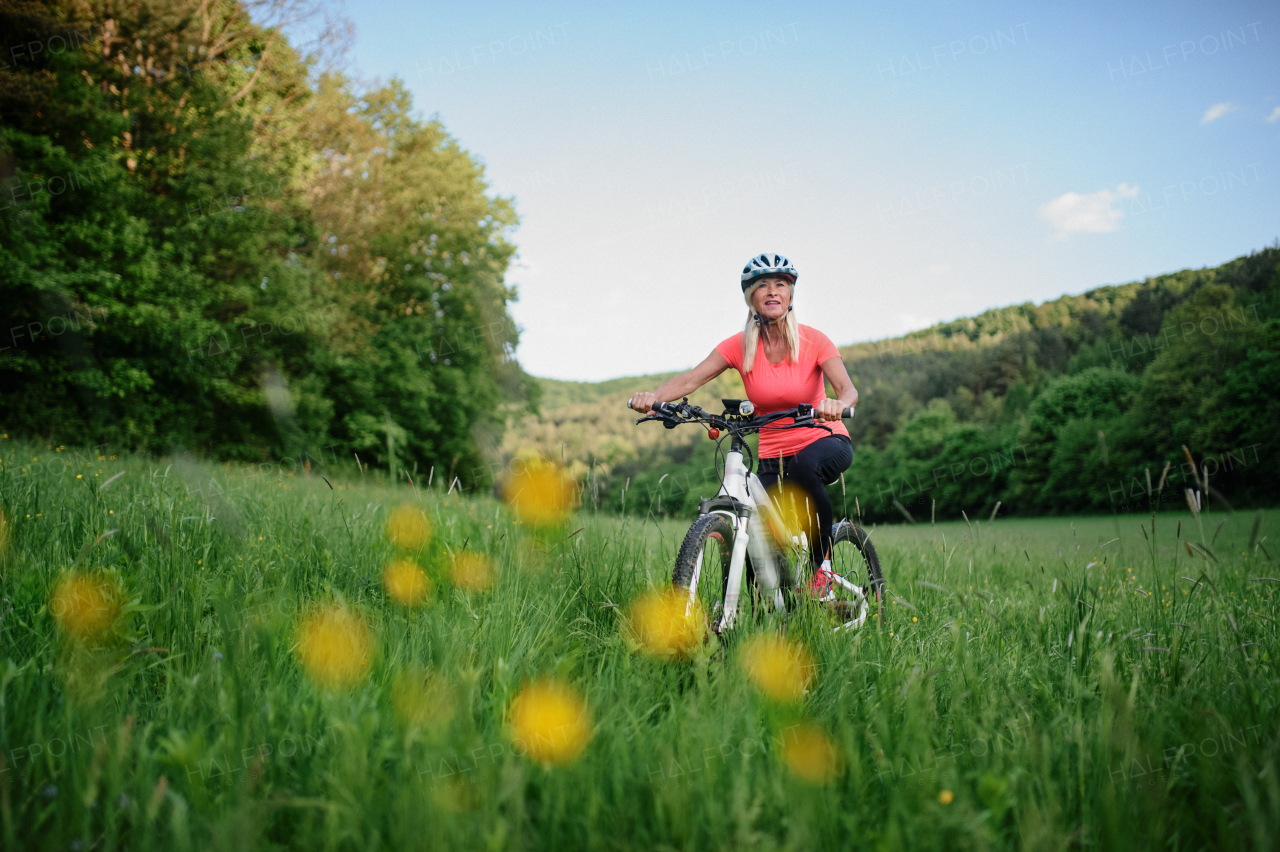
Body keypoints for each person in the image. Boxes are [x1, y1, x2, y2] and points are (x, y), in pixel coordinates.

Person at [629, 253, 857, 595]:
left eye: (780, 284)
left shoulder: (815, 341)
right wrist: (655, 400)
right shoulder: (740, 345)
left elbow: (847, 389)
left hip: (825, 440)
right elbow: (692, 379)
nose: (772, 291)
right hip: (771, 452)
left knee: (803, 468)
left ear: (791, 295)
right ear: (750, 297)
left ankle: (820, 569)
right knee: (756, 525)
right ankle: (769, 609)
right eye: (762, 285)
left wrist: (837, 405)